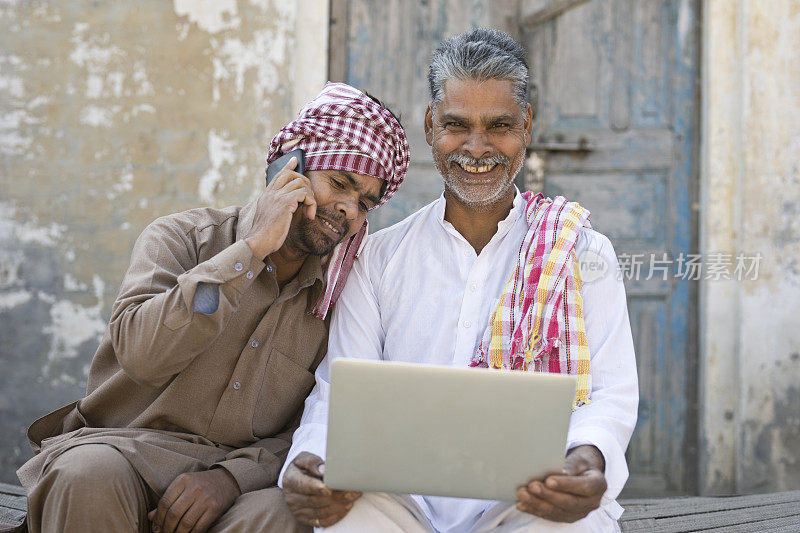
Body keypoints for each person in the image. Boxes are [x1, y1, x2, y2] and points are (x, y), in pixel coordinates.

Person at [280, 28, 638, 532]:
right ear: (430, 125)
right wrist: (310, 461)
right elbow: (339, 388)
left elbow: (609, 393)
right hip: (400, 503)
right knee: (345, 518)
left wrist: (589, 458)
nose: (477, 147)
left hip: (526, 501)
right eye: (456, 125)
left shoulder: (581, 252)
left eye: (499, 126)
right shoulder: (380, 257)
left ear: (527, 126)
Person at [16, 82, 409, 533]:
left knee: (286, 516)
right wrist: (252, 250)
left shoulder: (341, 295)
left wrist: (230, 478)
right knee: (86, 477)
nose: (347, 210)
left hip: (236, 481)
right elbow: (142, 354)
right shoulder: (181, 239)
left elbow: (318, 422)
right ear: (291, 165)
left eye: (365, 202)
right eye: (339, 183)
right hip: (123, 452)